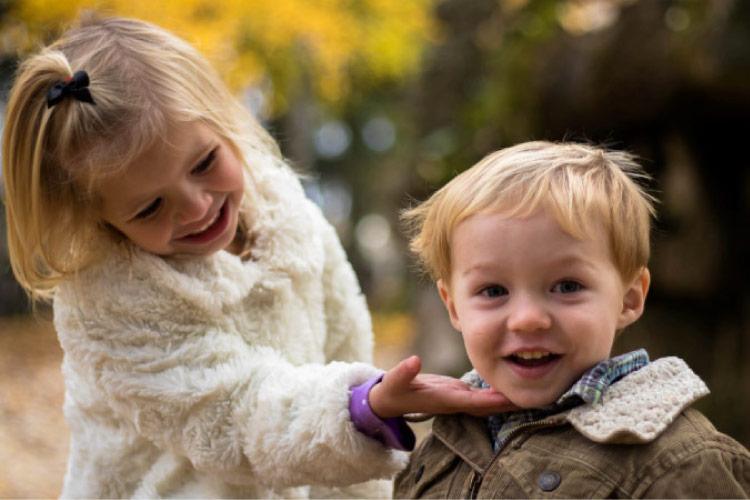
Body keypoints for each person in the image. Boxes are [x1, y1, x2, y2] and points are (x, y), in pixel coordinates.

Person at [1, 14, 511, 499]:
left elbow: (342, 341)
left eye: (205, 162)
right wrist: (361, 408)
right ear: (101, 220)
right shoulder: (109, 303)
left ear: (223, 123)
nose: (197, 208)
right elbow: (234, 419)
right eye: (151, 207)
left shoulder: (286, 218)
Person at [394, 141, 750, 498]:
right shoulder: (443, 442)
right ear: (454, 307)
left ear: (629, 298)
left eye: (566, 286)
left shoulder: (680, 462)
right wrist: (366, 409)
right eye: (493, 291)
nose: (527, 320)